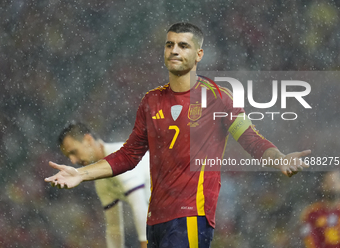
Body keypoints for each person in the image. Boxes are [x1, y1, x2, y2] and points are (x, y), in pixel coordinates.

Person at [45, 22, 311, 248]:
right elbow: (128, 155)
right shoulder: (151, 101)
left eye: (183, 45)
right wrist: (81, 173)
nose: (174, 50)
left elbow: (251, 139)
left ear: (199, 54)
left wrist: (279, 158)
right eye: (169, 44)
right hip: (155, 220)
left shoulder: (218, 98)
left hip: (191, 216)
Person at [58, 122, 150, 248]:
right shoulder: (101, 179)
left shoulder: (120, 156)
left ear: (88, 139)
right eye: (69, 156)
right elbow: (114, 227)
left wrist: (146, 244)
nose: (73, 160)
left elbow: (139, 206)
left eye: (74, 152)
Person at [300, 171, 340, 248]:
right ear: (322, 185)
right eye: (329, 183)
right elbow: (309, 240)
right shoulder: (311, 213)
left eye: (334, 183)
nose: (332, 186)